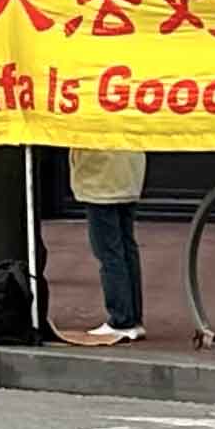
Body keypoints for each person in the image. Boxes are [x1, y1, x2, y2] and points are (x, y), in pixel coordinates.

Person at [70, 141, 144, 342]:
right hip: (130, 171)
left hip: (101, 177)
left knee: (109, 252)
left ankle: (121, 320)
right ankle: (133, 318)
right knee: (127, 248)